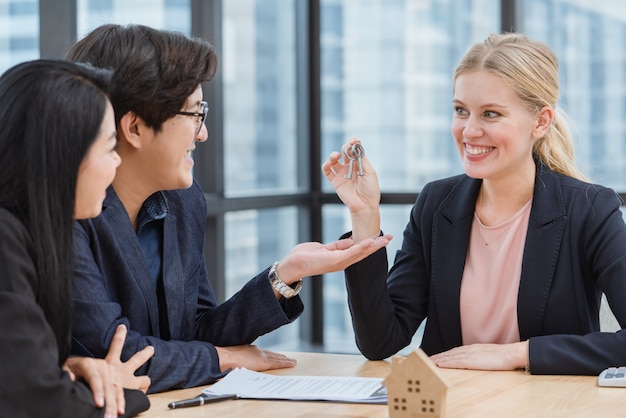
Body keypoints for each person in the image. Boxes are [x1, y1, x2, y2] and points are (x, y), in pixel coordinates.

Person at [66, 23, 391, 394]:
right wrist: (225, 359)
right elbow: (117, 359)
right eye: (194, 114)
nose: (202, 134)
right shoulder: (66, 211)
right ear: (135, 127)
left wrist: (283, 276)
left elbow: (197, 331)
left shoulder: (183, 201)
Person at [323, 32, 626, 375]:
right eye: (461, 111)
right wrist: (365, 216)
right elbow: (380, 342)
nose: (469, 131)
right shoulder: (436, 204)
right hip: (452, 403)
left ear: (541, 122)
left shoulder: (590, 208)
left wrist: (516, 354)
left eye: (491, 114)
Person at [0, 59, 154, 418]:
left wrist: (67, 369)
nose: (117, 162)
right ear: (62, 156)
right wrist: (119, 391)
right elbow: (42, 404)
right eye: (108, 148)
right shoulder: (5, 239)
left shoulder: (28, 234)